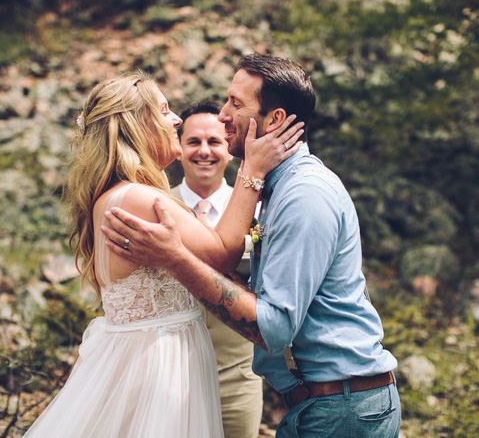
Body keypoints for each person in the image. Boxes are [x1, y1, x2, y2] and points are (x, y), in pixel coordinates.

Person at [102, 54, 402, 437]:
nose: (223, 114)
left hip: (344, 409)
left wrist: (175, 258)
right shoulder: (274, 191)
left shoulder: (304, 195)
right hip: (317, 404)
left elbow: (274, 328)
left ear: (274, 120)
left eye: (235, 104)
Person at [23, 72, 304, 438]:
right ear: (137, 124)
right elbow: (221, 255)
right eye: (165, 110)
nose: (175, 120)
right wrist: (252, 168)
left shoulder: (120, 193)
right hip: (157, 366)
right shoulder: (140, 198)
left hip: (151, 357)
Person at [171, 101, 263, 438]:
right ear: (179, 149)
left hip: (237, 376)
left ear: (230, 149)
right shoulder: (155, 205)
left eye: (214, 141)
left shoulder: (258, 210)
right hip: (170, 377)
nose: (204, 151)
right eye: (194, 141)